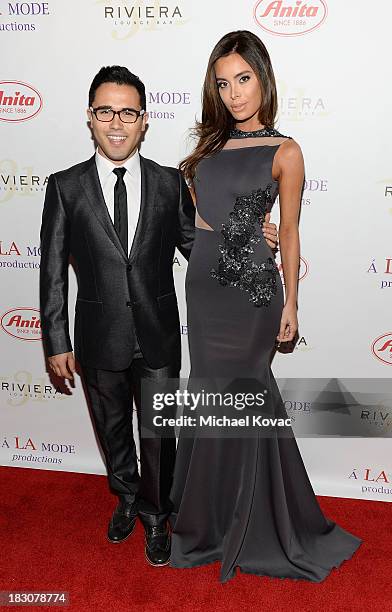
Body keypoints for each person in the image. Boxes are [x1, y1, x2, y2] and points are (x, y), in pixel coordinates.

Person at [39, 65, 278, 567]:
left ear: (144, 119)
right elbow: (53, 269)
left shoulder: (170, 182)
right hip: (98, 334)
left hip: (158, 334)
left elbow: (200, 246)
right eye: (106, 111)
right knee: (112, 432)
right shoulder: (65, 186)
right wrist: (55, 340)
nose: (117, 123)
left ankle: (155, 515)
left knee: (159, 432)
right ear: (91, 117)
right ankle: (126, 496)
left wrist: (251, 240)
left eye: (128, 112)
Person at [170, 31, 362, 582]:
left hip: (254, 295)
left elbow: (295, 235)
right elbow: (203, 221)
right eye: (223, 83)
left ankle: (257, 523)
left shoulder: (287, 151)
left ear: (264, 78)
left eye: (244, 79)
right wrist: (245, 226)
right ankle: (207, 520)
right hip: (205, 291)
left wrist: (292, 304)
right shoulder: (205, 148)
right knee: (207, 398)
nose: (234, 94)